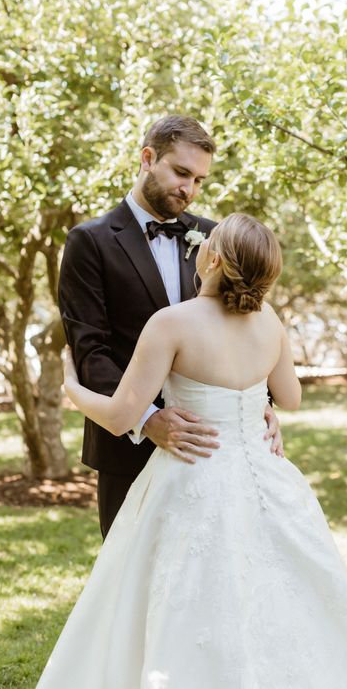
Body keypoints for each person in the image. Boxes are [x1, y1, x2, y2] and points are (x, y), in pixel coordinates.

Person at [37, 214, 347, 688]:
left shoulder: (171, 323)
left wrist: (73, 386)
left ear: (215, 257)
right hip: (266, 477)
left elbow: (122, 417)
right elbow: (289, 397)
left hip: (191, 479)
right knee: (282, 596)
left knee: (192, 603)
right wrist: (255, 407)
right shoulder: (269, 321)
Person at [58, 115, 282, 538]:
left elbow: (244, 324)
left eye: (199, 180)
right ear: (147, 158)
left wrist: (256, 403)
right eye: (182, 173)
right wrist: (147, 420)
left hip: (215, 454)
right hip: (127, 447)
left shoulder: (215, 237)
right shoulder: (89, 242)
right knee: (133, 588)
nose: (190, 189)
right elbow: (91, 350)